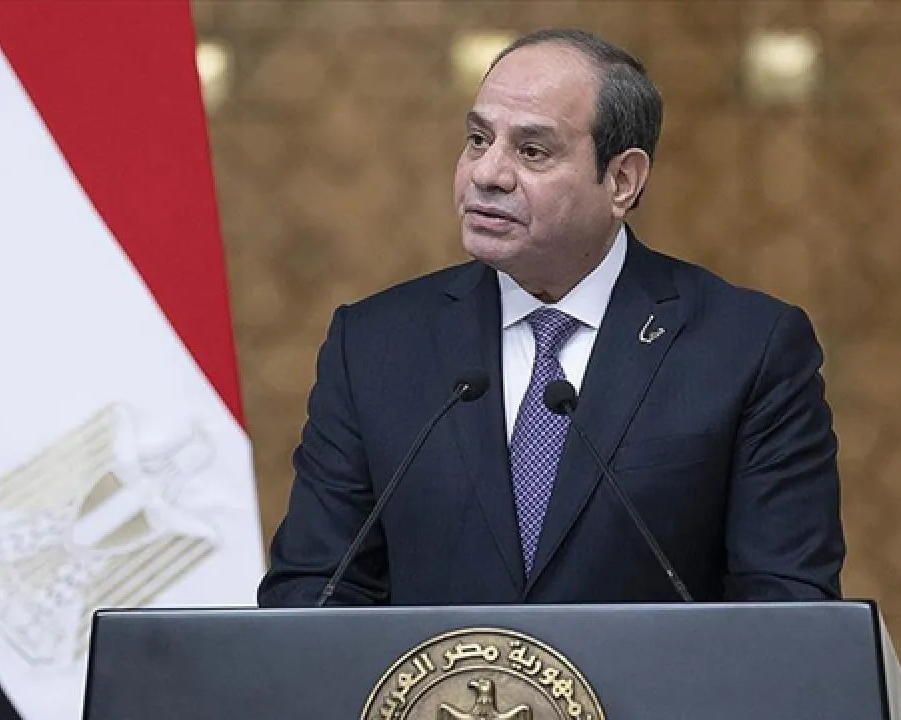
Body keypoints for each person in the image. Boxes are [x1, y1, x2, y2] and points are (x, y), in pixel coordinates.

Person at [256, 28, 844, 606]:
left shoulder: (746, 349)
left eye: (532, 151)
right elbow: (314, 593)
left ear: (622, 180)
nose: (487, 174)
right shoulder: (374, 347)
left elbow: (788, 608)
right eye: (478, 139)